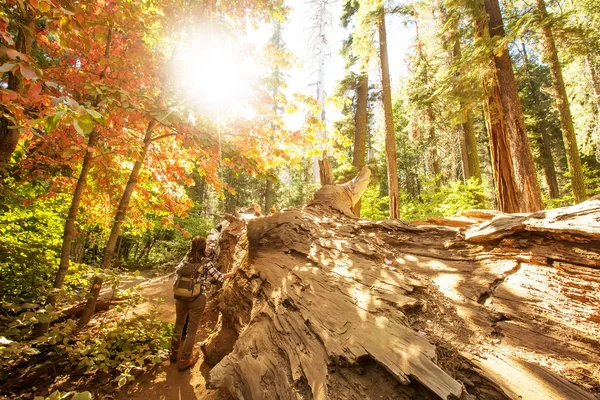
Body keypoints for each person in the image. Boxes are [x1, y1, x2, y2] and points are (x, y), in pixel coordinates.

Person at [170, 235, 238, 371]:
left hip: (180, 297)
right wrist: (233, 273)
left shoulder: (186, 259)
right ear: (203, 247)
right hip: (197, 298)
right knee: (191, 331)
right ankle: (184, 360)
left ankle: (173, 353)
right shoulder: (205, 262)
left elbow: (177, 271)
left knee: (178, 324)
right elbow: (219, 276)